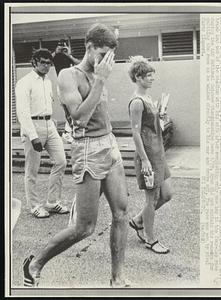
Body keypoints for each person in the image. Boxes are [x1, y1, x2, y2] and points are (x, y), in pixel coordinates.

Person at [23, 24, 129, 288]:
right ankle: (34, 264)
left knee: (122, 213)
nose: (107, 61)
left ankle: (117, 279)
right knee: (84, 228)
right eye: (102, 53)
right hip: (87, 149)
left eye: (110, 56)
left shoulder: (95, 71)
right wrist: (101, 79)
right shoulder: (68, 76)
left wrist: (99, 75)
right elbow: (80, 117)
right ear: (90, 46)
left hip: (110, 144)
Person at [16, 48, 69, 218]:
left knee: (61, 161)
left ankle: (52, 202)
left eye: (49, 63)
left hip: (49, 124)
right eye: (43, 62)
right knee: (32, 170)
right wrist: (33, 136)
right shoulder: (25, 82)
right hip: (33, 125)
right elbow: (22, 112)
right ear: (34, 62)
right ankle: (34, 206)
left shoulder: (47, 82)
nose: (46, 66)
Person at [128, 56, 172, 254]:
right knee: (151, 200)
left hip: (158, 152)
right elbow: (135, 132)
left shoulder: (148, 98)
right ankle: (150, 239)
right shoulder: (137, 102)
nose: (152, 78)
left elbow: (151, 126)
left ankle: (138, 221)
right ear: (138, 77)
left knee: (167, 194)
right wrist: (144, 160)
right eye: (148, 75)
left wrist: (160, 117)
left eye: (153, 75)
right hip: (148, 155)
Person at [52, 39, 80, 144]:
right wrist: (56, 51)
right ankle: (68, 133)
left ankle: (68, 132)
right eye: (60, 46)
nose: (62, 48)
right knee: (67, 109)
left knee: (73, 109)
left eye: (64, 46)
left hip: (72, 85)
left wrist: (68, 55)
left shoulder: (69, 57)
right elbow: (47, 59)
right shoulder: (56, 56)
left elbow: (79, 64)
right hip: (62, 85)